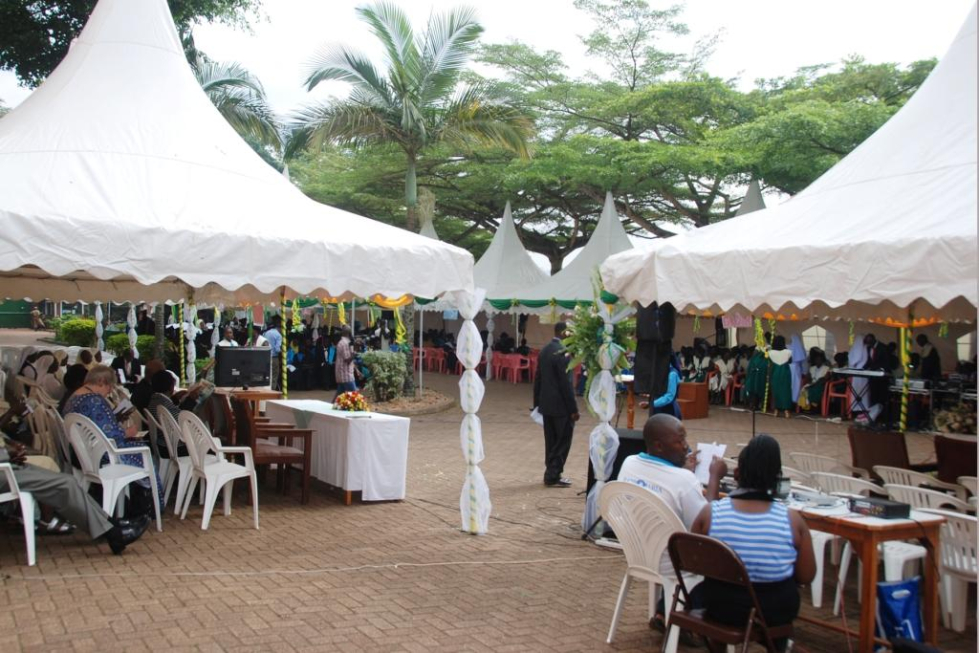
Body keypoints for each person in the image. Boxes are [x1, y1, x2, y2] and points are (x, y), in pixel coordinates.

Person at [691, 435, 815, 652]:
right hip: (773, 610)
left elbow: (696, 560)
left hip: (720, 605)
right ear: (778, 478)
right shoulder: (792, 521)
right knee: (783, 591)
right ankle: (779, 645)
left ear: (737, 474)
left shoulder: (712, 513)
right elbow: (806, 576)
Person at [0, 438, 150, 554]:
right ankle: (114, 535)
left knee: (61, 478)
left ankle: (110, 523)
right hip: (3, 470)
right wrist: (6, 453)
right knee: (66, 484)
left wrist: (10, 449)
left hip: (7, 466)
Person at [62, 365, 163, 512]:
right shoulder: (94, 400)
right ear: (101, 381)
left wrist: (114, 418)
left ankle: (134, 503)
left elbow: (95, 426)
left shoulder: (74, 397)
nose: (109, 391)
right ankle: (152, 507)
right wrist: (128, 432)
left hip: (84, 453)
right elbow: (110, 434)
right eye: (109, 386)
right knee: (147, 454)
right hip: (102, 455)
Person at [531, 322, 578, 487]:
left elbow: (538, 379)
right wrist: (573, 409)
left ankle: (550, 472)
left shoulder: (544, 350)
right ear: (565, 333)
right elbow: (566, 384)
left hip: (547, 405)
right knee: (562, 441)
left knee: (550, 441)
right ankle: (553, 474)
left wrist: (537, 403)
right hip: (562, 407)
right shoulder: (562, 353)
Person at [768, 335, 793, 418]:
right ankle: (786, 412)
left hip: (775, 373)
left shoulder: (770, 352)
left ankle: (776, 411)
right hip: (785, 373)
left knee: (776, 391)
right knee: (785, 392)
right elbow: (790, 361)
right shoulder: (788, 352)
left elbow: (770, 366)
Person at [334, 325, 357, 398]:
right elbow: (347, 360)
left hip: (342, 374)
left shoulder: (342, 342)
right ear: (349, 332)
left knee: (338, 397)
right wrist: (354, 354)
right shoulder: (345, 343)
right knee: (355, 397)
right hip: (346, 375)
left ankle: (331, 406)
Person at [264, 317, 283, 391]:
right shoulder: (278, 335)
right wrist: (283, 352)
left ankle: (267, 389)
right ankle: (272, 390)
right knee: (275, 374)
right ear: (280, 328)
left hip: (266, 356)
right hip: (274, 357)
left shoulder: (267, 332)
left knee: (268, 374)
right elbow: (277, 349)